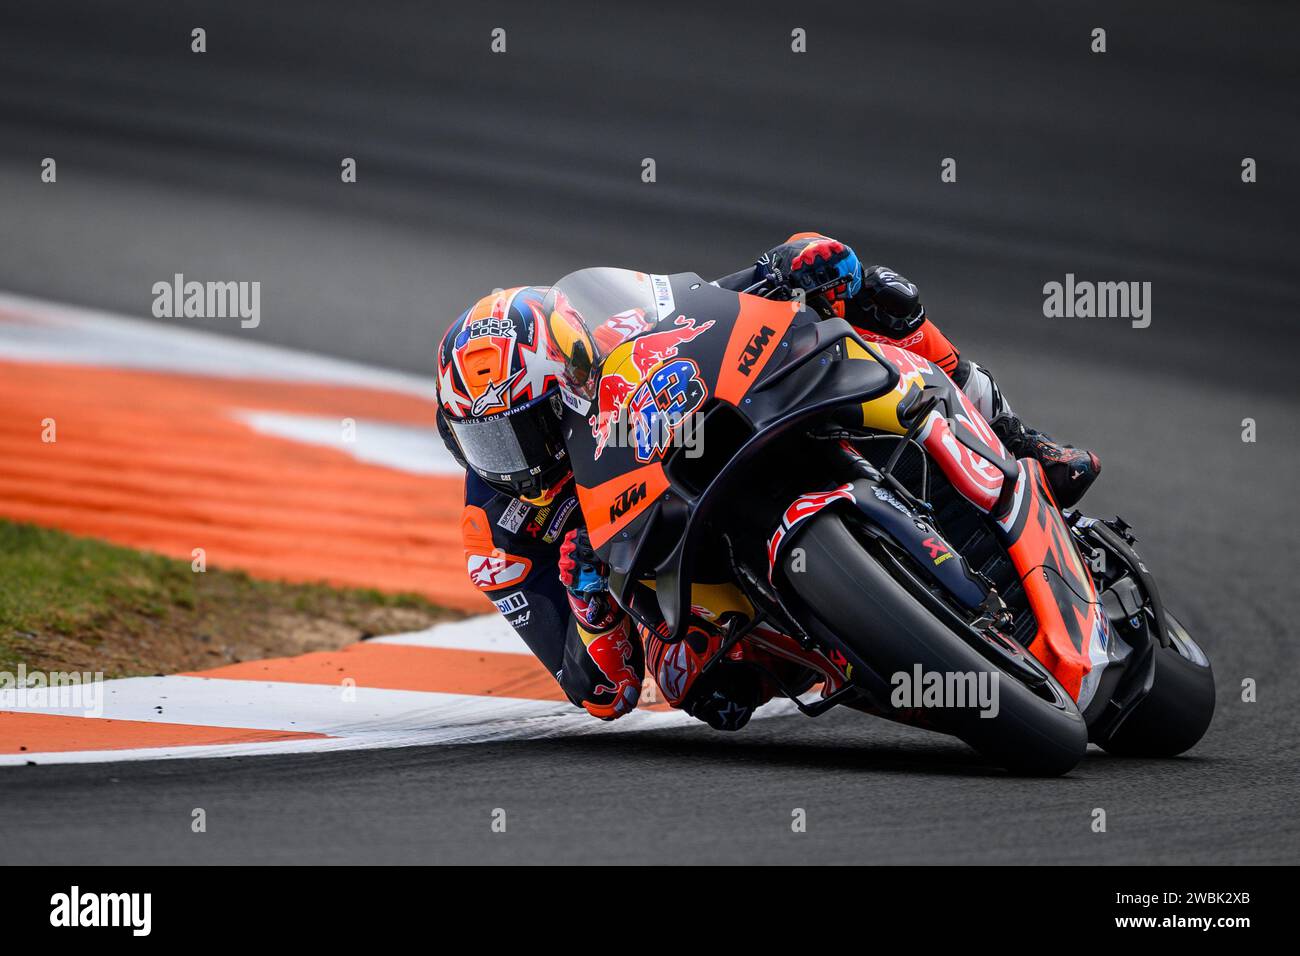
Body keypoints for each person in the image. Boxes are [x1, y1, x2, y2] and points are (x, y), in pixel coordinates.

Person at [435, 236, 1100, 730]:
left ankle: (1017, 438)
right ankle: (850, 642)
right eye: (483, 440)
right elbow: (600, 692)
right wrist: (588, 600)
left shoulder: (606, 328)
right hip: (670, 585)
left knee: (871, 290)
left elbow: (694, 307)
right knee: (695, 683)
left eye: (521, 429)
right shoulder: (494, 534)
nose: (510, 460)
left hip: (705, 440)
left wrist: (780, 268)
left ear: (570, 378)